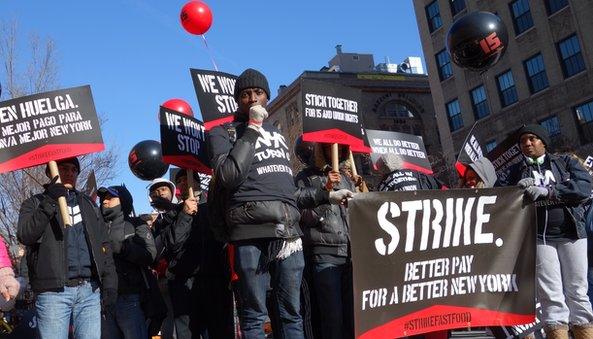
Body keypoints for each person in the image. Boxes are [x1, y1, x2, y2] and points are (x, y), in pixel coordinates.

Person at [207, 68, 352, 338]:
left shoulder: (278, 134)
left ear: (267, 97)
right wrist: (251, 130)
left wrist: (324, 196)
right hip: (250, 232)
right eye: (245, 94)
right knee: (255, 318)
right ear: (237, 100)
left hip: (288, 235)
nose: (252, 99)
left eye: (258, 93)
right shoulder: (222, 133)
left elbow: (287, 193)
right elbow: (228, 175)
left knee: (291, 315)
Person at [500, 124, 593, 338]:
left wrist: (549, 191)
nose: (527, 144)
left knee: (578, 291)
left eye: (532, 138)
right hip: (540, 239)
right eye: (523, 141)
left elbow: (583, 188)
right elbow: (501, 197)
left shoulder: (565, 162)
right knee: (550, 296)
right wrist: (516, 189)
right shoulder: (514, 171)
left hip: (572, 235)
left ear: (543, 142)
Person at [17, 157, 117, 339]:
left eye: (73, 170)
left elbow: (104, 245)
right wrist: (50, 202)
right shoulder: (34, 203)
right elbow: (25, 235)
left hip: (90, 291)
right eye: (63, 169)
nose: (70, 173)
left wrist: (110, 283)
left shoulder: (89, 204)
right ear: (51, 172)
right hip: (53, 293)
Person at [294, 138, 356, 339]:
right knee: (332, 317)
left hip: (349, 253)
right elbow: (299, 210)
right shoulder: (304, 177)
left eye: (337, 146)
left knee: (352, 316)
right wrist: (325, 192)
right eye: (328, 146)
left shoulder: (345, 178)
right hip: (323, 254)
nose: (334, 150)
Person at [98, 185, 156, 339]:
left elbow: (150, 255)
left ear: (122, 200)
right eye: (103, 198)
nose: (105, 201)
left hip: (131, 298)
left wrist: (125, 249)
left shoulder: (136, 224)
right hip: (103, 301)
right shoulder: (97, 227)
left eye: (110, 198)